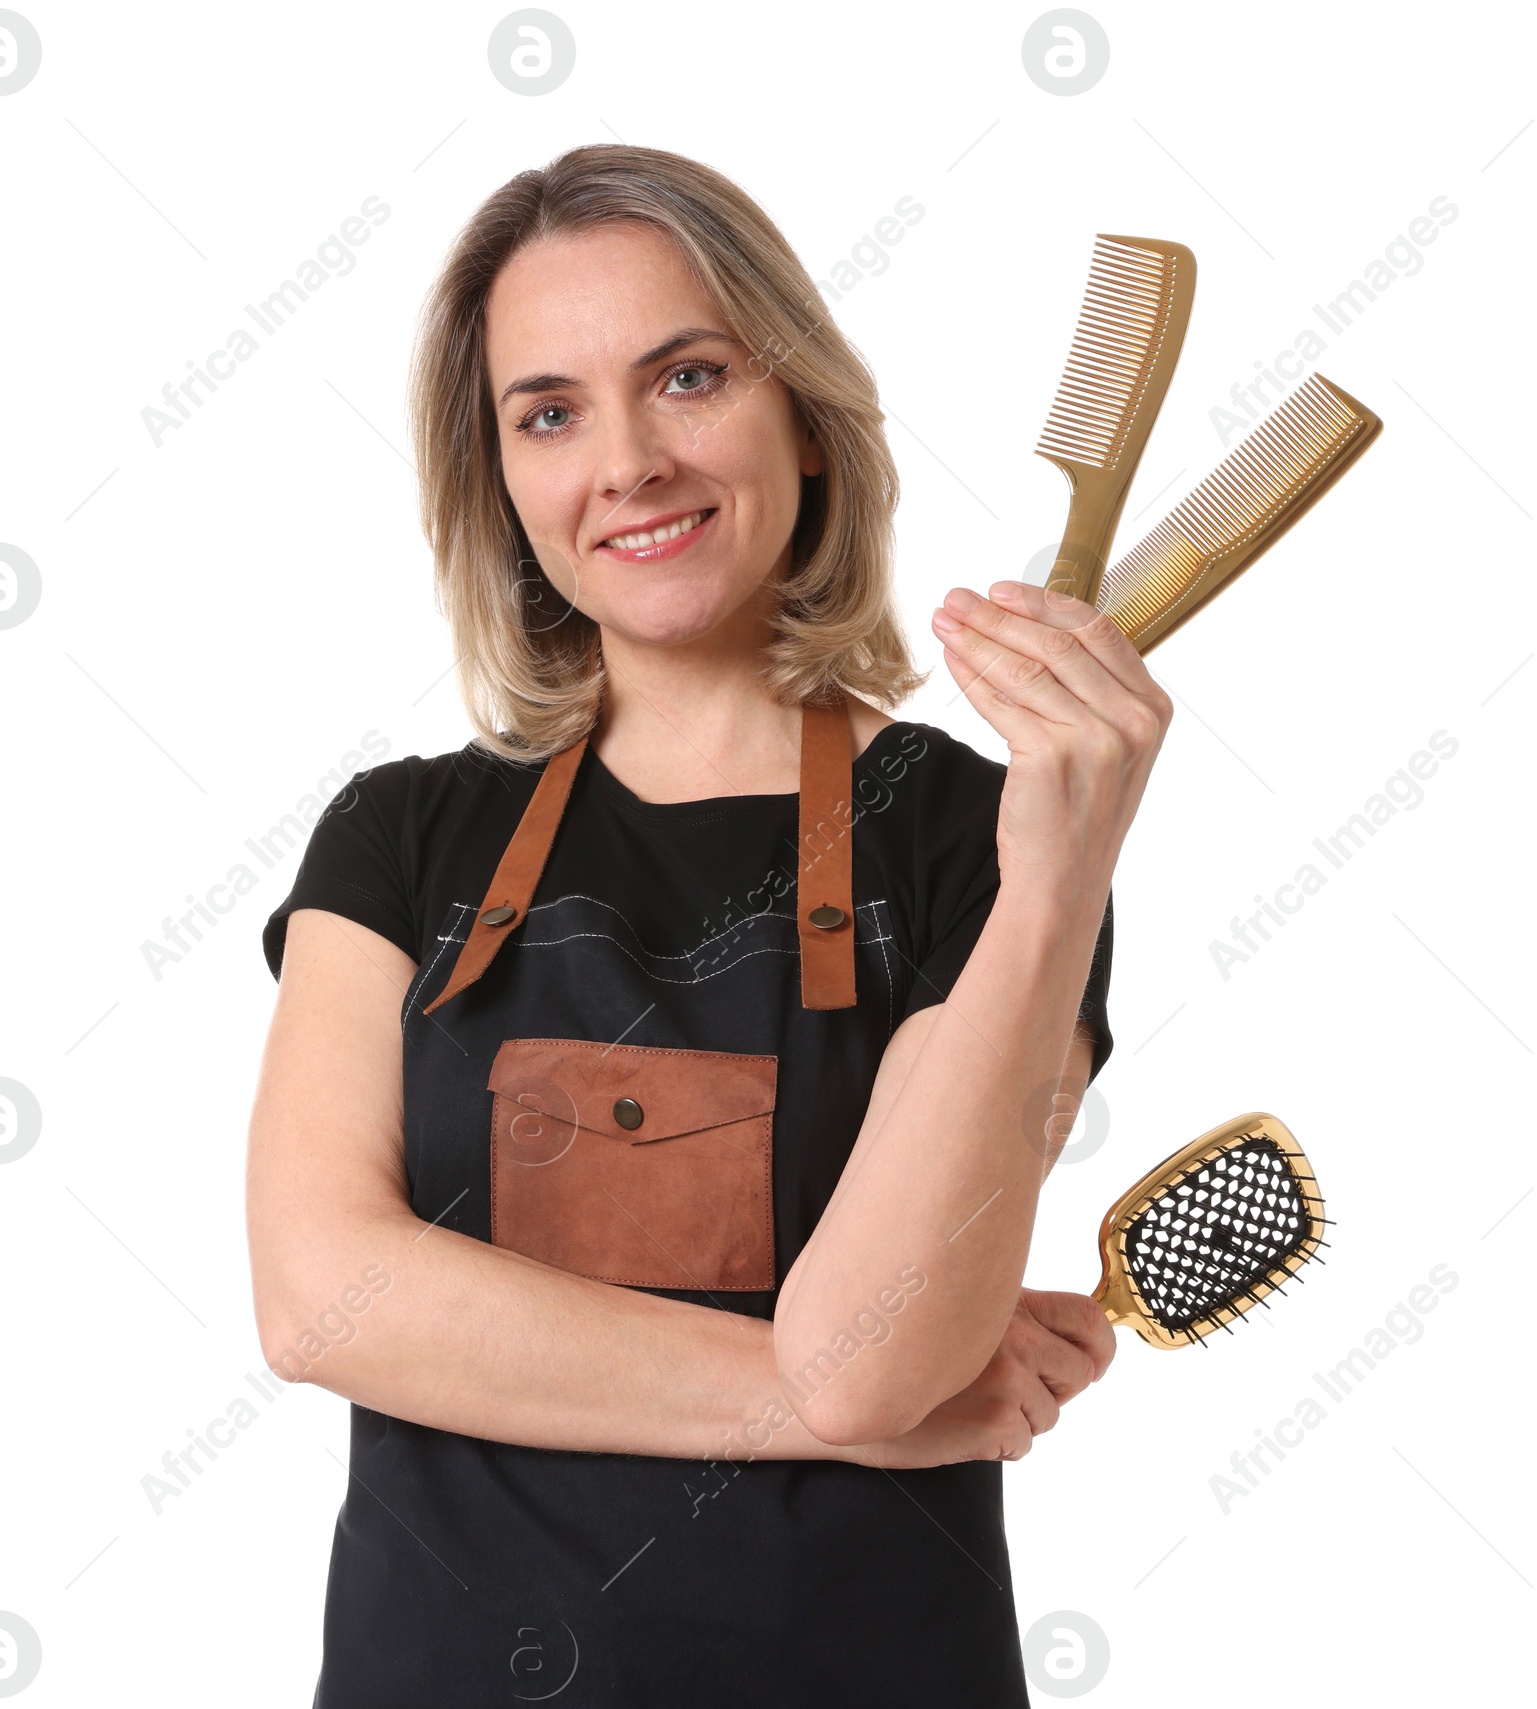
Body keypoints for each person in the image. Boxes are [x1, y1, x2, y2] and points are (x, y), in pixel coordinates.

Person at [246, 143, 1171, 1707]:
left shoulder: (977, 841)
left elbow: (868, 1348)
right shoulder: (399, 838)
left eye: (686, 377)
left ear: (801, 413)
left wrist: (1060, 871)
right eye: (550, 412)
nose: (626, 462)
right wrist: (858, 1407)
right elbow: (320, 1294)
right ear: (504, 481)